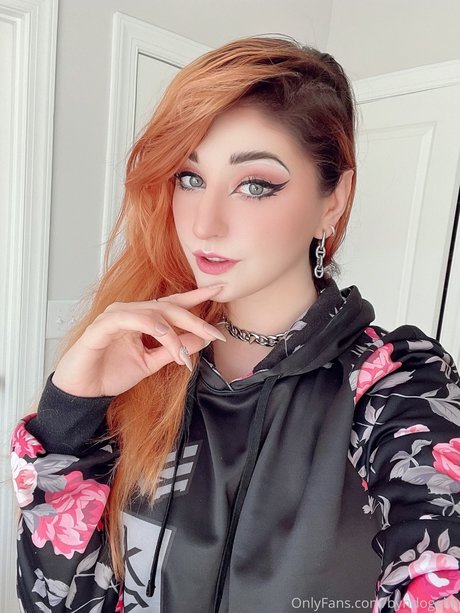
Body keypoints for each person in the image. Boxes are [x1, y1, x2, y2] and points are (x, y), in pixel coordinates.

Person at [10, 33, 460, 613]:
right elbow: (61, 600)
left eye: (254, 185)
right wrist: (69, 411)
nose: (204, 224)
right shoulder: (144, 365)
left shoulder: (395, 386)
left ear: (333, 200)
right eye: (189, 178)